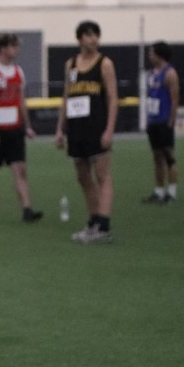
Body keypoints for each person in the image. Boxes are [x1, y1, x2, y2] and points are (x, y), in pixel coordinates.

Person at [54, 20, 119, 243]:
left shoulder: (105, 64)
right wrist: (60, 129)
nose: (94, 40)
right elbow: (66, 97)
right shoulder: (70, 65)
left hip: (97, 127)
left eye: (96, 35)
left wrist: (109, 130)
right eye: (89, 35)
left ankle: (104, 225)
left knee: (102, 175)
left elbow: (113, 99)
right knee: (82, 176)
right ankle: (93, 221)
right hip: (76, 128)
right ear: (79, 38)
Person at [0, 34, 42, 223]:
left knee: (20, 168)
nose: (17, 50)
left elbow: (21, 101)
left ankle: (27, 209)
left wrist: (27, 126)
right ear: (3, 49)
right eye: (13, 46)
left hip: (14, 129)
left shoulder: (18, 72)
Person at [142, 41, 180, 204]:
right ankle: (158, 191)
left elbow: (175, 98)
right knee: (157, 156)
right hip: (153, 120)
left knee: (169, 157)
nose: (149, 56)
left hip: (164, 120)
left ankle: (171, 192)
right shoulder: (151, 73)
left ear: (159, 54)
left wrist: (171, 120)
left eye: (152, 53)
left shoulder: (170, 73)